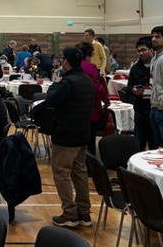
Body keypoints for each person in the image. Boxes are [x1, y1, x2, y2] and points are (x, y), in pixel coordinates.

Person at [32, 47, 94, 228]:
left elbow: (51, 98)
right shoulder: (87, 80)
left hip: (66, 134)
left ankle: (69, 213)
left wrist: (57, 80)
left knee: (61, 173)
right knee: (80, 172)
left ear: (65, 61)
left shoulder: (67, 82)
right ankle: (84, 212)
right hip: (83, 133)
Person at [123, 37, 155, 151]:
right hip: (140, 109)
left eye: (143, 50)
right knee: (139, 142)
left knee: (154, 143)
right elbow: (128, 87)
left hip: (155, 108)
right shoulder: (135, 68)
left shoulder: (158, 65)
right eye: (139, 51)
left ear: (151, 50)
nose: (141, 53)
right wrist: (133, 90)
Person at [76, 42, 108, 154]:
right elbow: (98, 89)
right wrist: (106, 102)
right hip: (90, 109)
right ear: (89, 55)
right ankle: (91, 165)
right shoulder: (90, 67)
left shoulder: (71, 66)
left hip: (75, 110)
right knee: (90, 140)